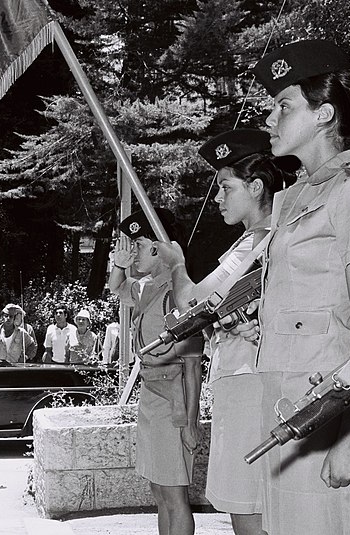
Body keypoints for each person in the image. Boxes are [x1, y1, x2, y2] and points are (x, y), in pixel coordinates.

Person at [245, 39, 350, 534]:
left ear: (323, 114)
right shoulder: (290, 202)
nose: (270, 118)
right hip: (286, 407)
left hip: (332, 414)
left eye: (283, 106)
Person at [155, 129, 294, 535]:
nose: (217, 198)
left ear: (255, 187)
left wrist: (177, 264)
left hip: (248, 384)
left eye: (225, 187)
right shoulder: (264, 239)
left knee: (246, 505)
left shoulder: (261, 240)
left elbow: (192, 304)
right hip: (251, 380)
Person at [109, 210, 203, 535]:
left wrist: (191, 422)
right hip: (151, 400)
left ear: (160, 248)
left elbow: (192, 365)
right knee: (159, 492)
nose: (134, 251)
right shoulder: (149, 290)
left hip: (173, 406)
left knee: (175, 494)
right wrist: (119, 265)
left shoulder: (179, 293)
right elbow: (116, 289)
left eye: (139, 244)